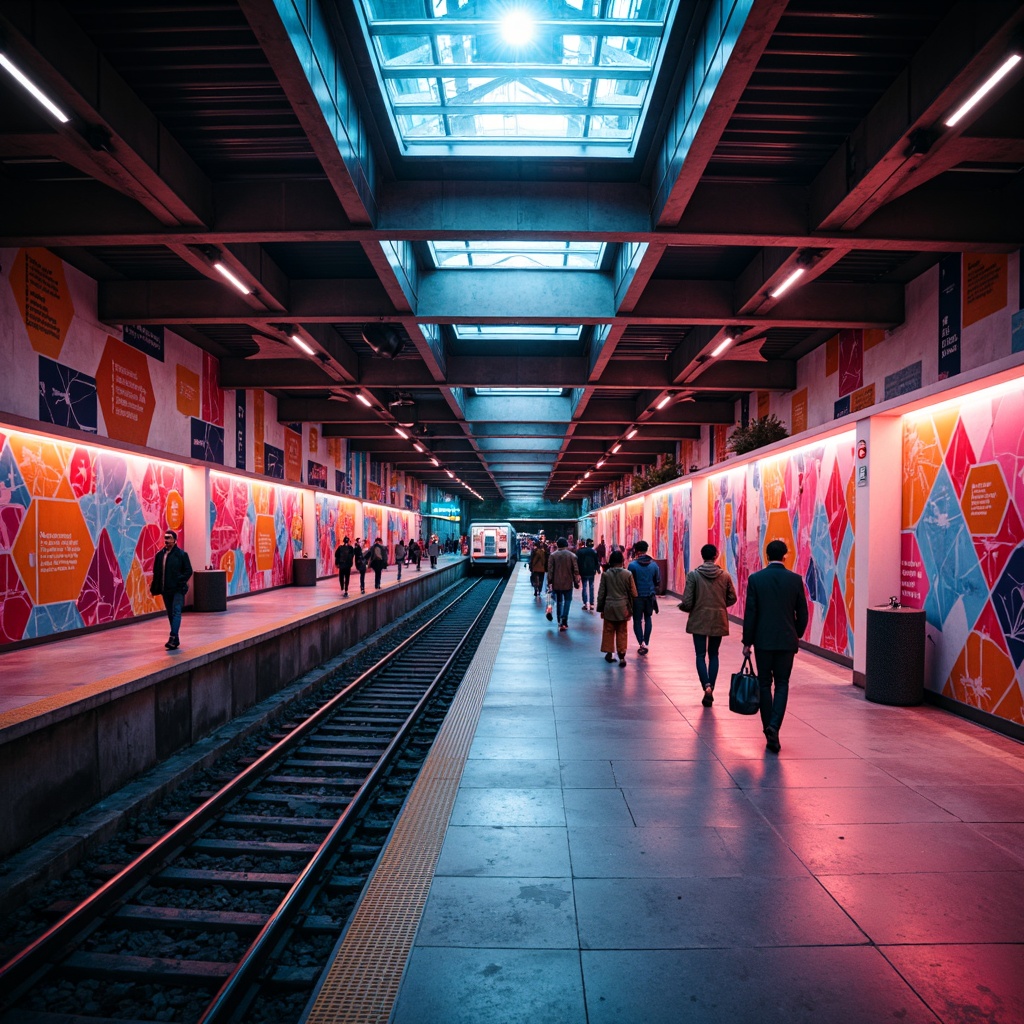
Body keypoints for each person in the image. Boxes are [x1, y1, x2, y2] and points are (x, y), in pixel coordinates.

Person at [742, 539, 809, 754]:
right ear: (785, 555)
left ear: (766, 555)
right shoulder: (795, 580)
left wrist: (747, 642)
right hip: (786, 642)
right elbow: (803, 614)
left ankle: (768, 728)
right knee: (782, 683)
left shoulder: (756, 580)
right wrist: (795, 633)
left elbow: (751, 613)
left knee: (764, 684)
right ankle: (775, 726)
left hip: (763, 641)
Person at [680, 543, 738, 706]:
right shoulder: (725, 576)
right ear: (716, 555)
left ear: (702, 555)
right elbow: (732, 598)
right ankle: (711, 686)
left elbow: (688, 600)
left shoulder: (693, 575)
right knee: (714, 654)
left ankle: (706, 686)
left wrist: (686, 607)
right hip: (718, 618)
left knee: (700, 655)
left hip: (699, 617)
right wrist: (719, 604)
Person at [150, 529, 192, 650]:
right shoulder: (160, 555)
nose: (166, 540)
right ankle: (176, 639)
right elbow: (157, 573)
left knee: (176, 612)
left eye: (169, 538)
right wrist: (155, 587)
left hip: (178, 589)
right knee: (170, 614)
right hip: (166, 590)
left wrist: (180, 580)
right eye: (165, 538)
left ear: (175, 540)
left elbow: (188, 570)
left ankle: (173, 636)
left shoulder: (182, 555)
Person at [597, 550, 637, 666]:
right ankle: (622, 655)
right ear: (622, 561)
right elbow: (634, 593)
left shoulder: (606, 574)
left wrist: (600, 608)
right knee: (622, 631)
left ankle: (609, 653)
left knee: (608, 630)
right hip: (623, 607)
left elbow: (601, 593)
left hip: (609, 606)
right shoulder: (627, 574)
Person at [628, 540, 660, 656]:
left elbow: (629, 583)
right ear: (646, 549)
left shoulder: (632, 565)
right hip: (650, 596)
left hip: (637, 597)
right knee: (648, 618)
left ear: (636, 550)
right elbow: (657, 581)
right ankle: (646, 641)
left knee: (637, 620)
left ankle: (641, 642)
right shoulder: (654, 565)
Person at [546, 536, 580, 631]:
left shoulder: (553, 556)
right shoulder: (572, 556)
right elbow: (576, 570)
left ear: (557, 545)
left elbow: (550, 571)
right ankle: (564, 619)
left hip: (557, 583)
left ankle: (559, 620)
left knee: (559, 602)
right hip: (568, 582)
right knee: (568, 601)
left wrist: (549, 582)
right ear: (566, 545)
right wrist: (576, 581)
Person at [575, 538, 601, 611]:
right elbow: (597, 561)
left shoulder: (580, 552)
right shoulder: (593, 552)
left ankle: (585, 604)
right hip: (591, 572)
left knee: (584, 587)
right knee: (591, 587)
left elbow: (577, 562)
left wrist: (577, 572)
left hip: (583, 572)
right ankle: (592, 604)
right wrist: (598, 569)